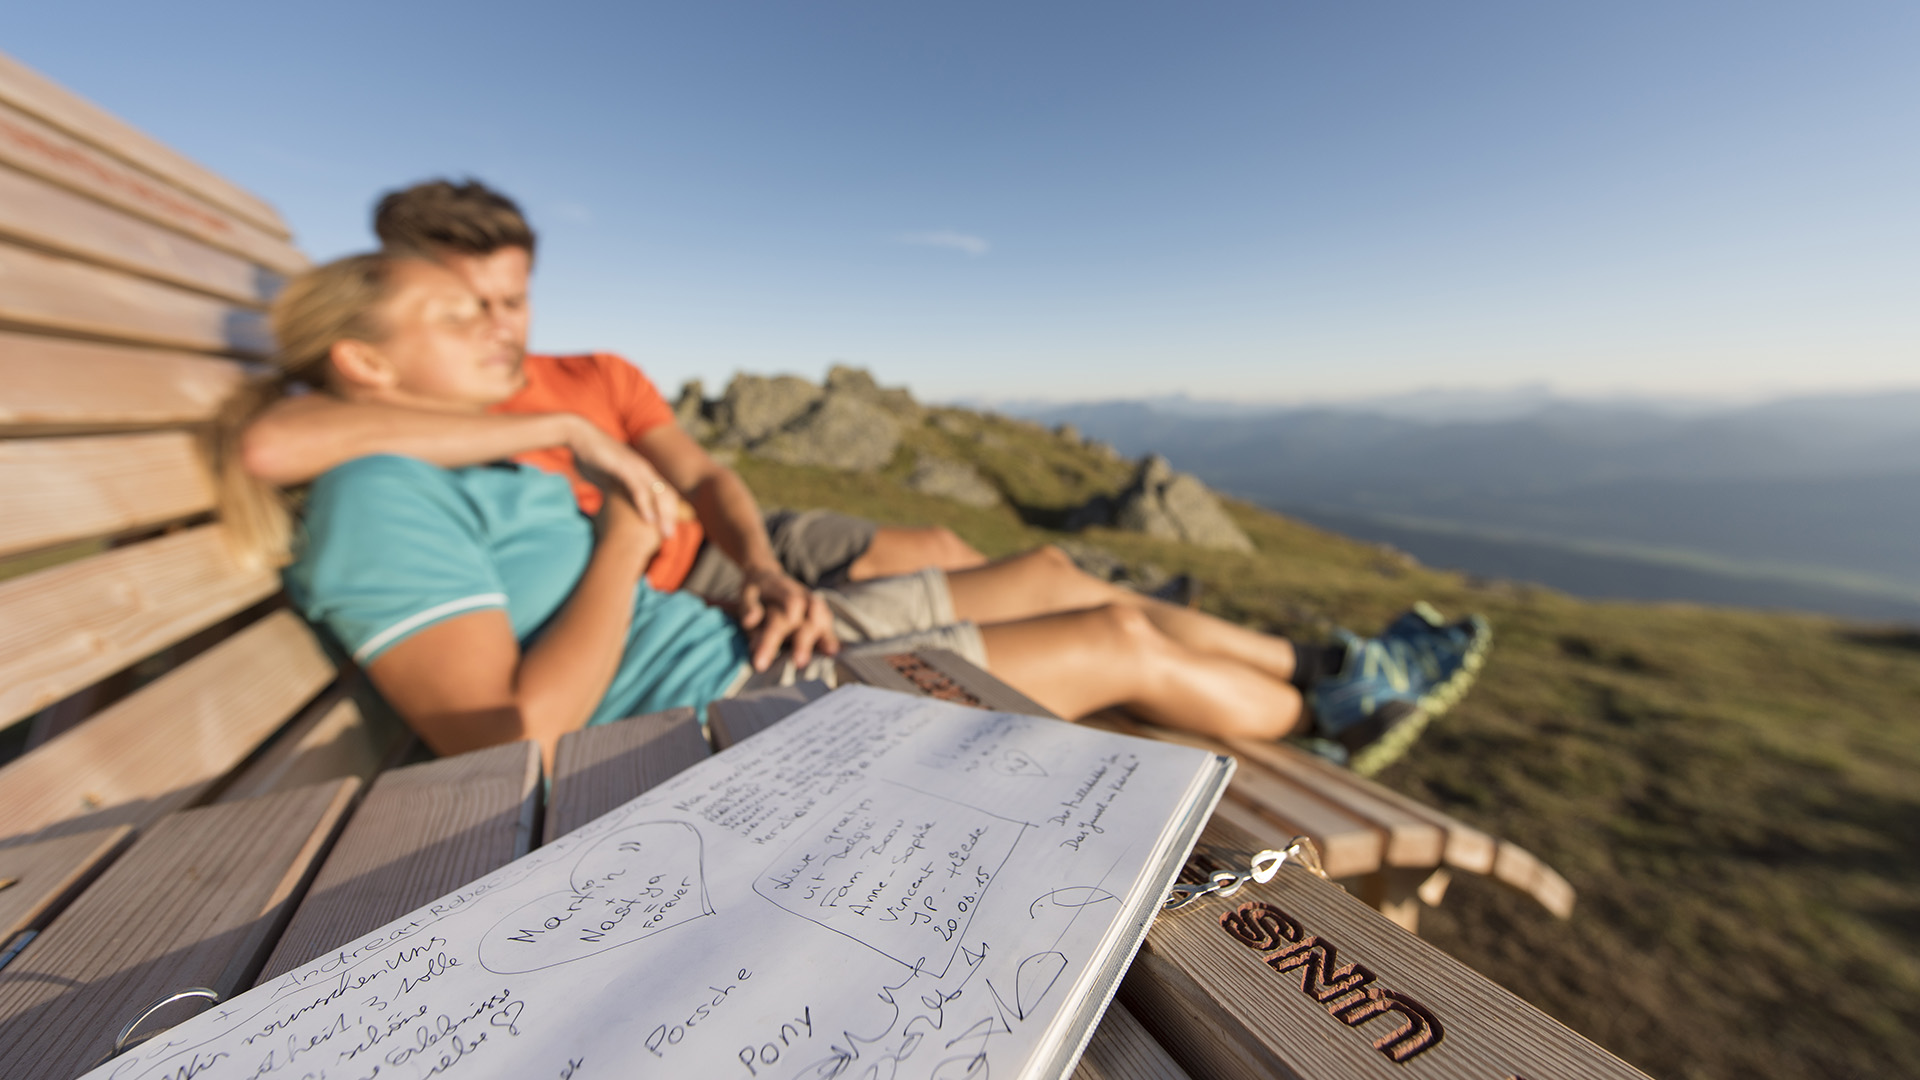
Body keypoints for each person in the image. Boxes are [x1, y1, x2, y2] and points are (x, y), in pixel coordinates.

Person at [221, 252, 1488, 775]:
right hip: (717, 723)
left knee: (1077, 586)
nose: (502, 328)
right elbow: (508, 741)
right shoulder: (382, 497)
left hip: (753, 650)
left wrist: (601, 482)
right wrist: (617, 531)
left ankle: (1326, 669)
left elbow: (679, 503)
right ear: (367, 369)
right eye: (457, 317)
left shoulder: (458, 466)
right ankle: (1332, 717)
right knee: (1123, 645)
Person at [240, 179, 985, 675]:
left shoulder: (598, 373)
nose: (499, 327)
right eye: (466, 305)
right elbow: (278, 441)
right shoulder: (424, 409)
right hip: (651, 601)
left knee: (943, 549)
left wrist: (761, 565)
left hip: (719, 544)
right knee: (1022, 626)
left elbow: (699, 476)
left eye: (514, 301)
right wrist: (567, 433)